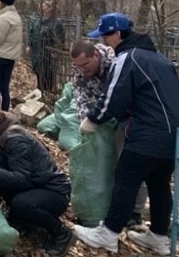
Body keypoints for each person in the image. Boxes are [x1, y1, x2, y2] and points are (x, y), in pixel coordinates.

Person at [73, 13, 179, 255]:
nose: (105, 41)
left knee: (125, 177)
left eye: (107, 35)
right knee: (159, 182)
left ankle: (108, 233)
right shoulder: (159, 58)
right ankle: (159, 236)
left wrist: (93, 119)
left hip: (152, 130)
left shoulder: (127, 57)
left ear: (119, 34)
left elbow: (114, 94)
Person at [0, 103, 74, 256]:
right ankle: (22, 218)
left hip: (55, 191)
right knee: (1, 180)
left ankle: (61, 233)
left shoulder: (14, 139)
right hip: (36, 186)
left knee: (21, 203)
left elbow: (22, 178)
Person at [69, 39, 147, 228]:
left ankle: (135, 213)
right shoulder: (80, 69)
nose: (82, 70)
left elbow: (120, 95)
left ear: (95, 54)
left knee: (130, 163)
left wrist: (98, 117)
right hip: (104, 116)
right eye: (78, 66)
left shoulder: (117, 64)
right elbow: (80, 93)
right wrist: (85, 117)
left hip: (132, 117)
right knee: (107, 162)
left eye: (85, 64)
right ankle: (109, 206)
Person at [27, 0, 66, 93]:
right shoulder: (38, 21)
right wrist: (29, 45)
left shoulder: (56, 23)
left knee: (47, 75)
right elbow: (32, 33)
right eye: (43, 6)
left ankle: (46, 93)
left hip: (48, 54)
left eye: (46, 6)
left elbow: (60, 39)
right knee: (37, 72)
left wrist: (57, 51)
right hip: (37, 52)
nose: (43, 8)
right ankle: (39, 93)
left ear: (51, 8)